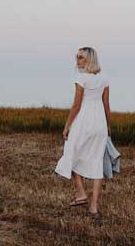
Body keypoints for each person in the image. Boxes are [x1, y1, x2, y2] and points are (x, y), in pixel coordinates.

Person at [53, 46, 111, 219]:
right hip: (99, 123)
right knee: (96, 162)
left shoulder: (81, 78)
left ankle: (81, 193)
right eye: (77, 57)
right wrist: (108, 126)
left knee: (71, 153)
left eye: (81, 58)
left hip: (83, 122)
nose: (77, 61)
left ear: (89, 60)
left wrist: (67, 126)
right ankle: (93, 207)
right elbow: (106, 105)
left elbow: (76, 106)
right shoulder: (104, 78)